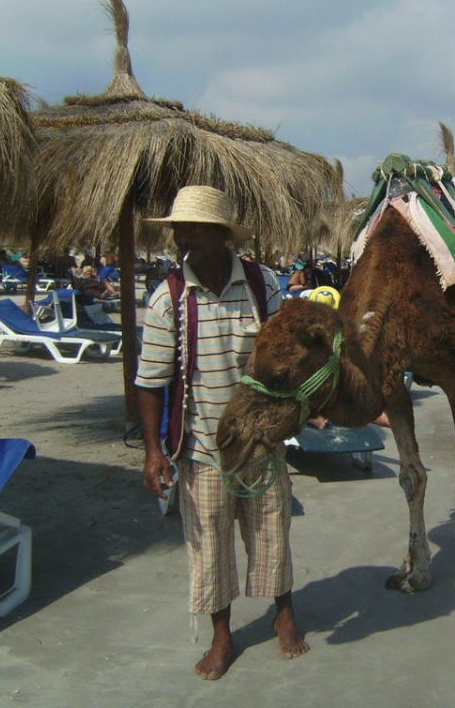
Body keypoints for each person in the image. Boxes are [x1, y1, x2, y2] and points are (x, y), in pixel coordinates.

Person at [135, 185, 307, 681]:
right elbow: (151, 381)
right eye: (177, 230)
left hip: (261, 442)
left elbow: (288, 353)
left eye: (191, 229)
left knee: (271, 531)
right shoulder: (169, 298)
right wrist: (153, 453)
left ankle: (283, 611)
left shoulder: (261, 284)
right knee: (208, 542)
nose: (182, 238)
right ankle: (222, 633)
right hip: (202, 445)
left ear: (220, 234)